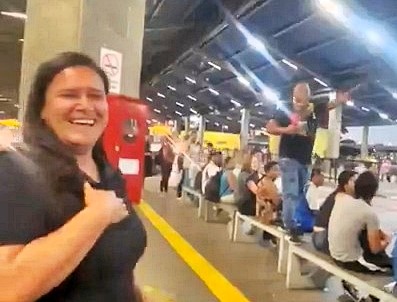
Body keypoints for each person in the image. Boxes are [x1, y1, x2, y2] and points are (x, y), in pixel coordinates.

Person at [0, 52, 147, 301]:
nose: (86, 105)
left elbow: (118, 269)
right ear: (42, 110)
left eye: (96, 96)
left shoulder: (109, 174)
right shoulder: (16, 172)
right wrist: (96, 216)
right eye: (69, 95)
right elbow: (8, 286)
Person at [266, 82, 349, 243]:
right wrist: (286, 130)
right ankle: (289, 224)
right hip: (288, 156)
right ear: (294, 97)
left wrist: (340, 100)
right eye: (297, 100)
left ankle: (289, 219)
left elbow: (331, 104)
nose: (300, 105)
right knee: (291, 192)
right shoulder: (285, 109)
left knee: (299, 193)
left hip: (304, 158)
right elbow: (270, 127)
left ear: (308, 98)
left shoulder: (315, 109)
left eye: (303, 100)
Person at [328, 171, 392, 273]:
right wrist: (387, 241)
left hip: (334, 254)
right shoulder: (369, 213)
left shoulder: (341, 198)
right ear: (374, 191)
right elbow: (375, 249)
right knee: (391, 269)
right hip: (350, 261)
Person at [312, 170, 357, 253]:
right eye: (353, 181)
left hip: (318, 236)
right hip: (322, 238)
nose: (356, 184)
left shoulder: (336, 195)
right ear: (345, 184)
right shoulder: (342, 198)